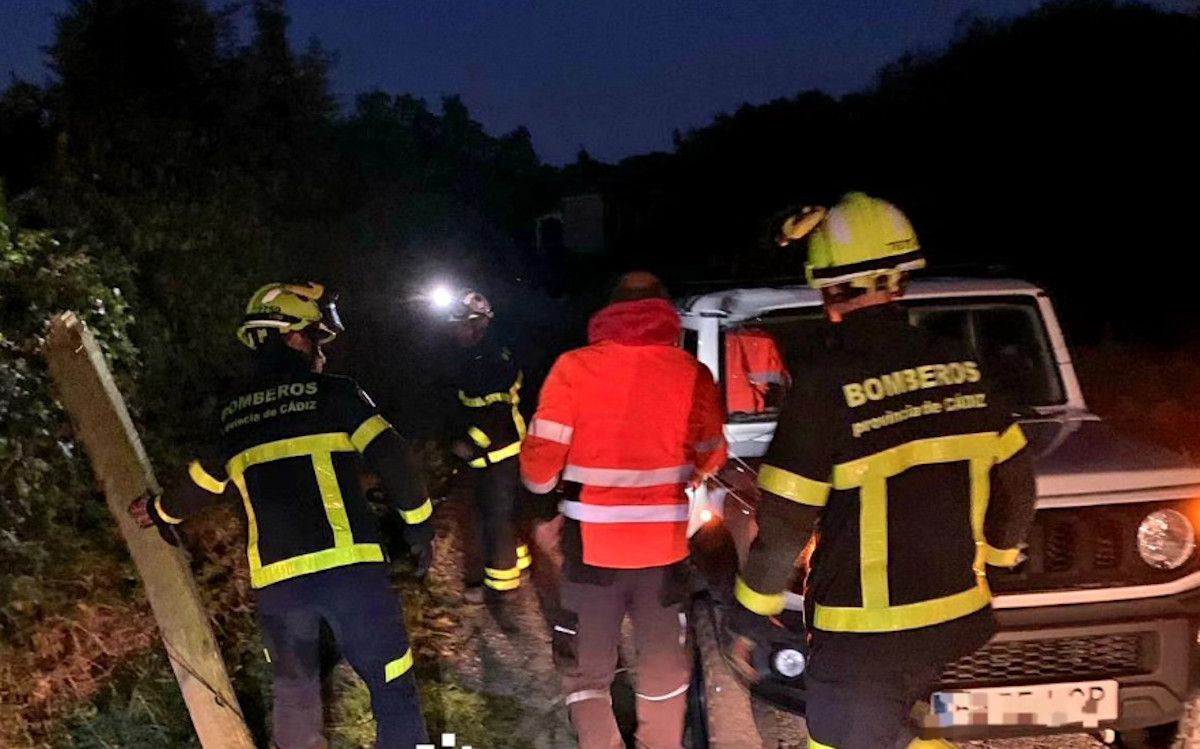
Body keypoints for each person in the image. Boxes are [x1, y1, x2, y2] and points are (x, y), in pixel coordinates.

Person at [731, 193, 1038, 749]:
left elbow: (784, 526)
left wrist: (750, 613)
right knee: (912, 733)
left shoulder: (824, 384)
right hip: (954, 620)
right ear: (901, 279)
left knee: (838, 739)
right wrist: (997, 559)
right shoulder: (964, 366)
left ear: (826, 287)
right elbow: (1017, 480)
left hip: (862, 637)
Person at [131, 282, 432, 749]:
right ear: (292, 336)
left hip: (279, 587)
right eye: (316, 338)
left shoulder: (232, 417)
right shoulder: (336, 395)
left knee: (295, 701)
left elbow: (194, 489)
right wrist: (418, 529)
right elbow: (393, 459)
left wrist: (157, 510)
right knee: (393, 687)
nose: (322, 354)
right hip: (352, 574)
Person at [520, 271, 727, 749]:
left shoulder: (572, 367)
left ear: (609, 314)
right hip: (664, 549)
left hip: (590, 546)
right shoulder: (691, 372)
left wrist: (544, 508)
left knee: (586, 670)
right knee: (662, 665)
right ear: (664, 317)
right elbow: (712, 454)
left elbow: (539, 464)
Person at [443, 289, 531, 602]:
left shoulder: (493, 358)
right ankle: (516, 561)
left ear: (479, 324)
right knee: (498, 513)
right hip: (488, 452)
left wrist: (469, 444)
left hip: (500, 450)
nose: (456, 331)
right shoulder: (476, 354)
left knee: (497, 518)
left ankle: (501, 588)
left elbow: (496, 413)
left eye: (462, 325)